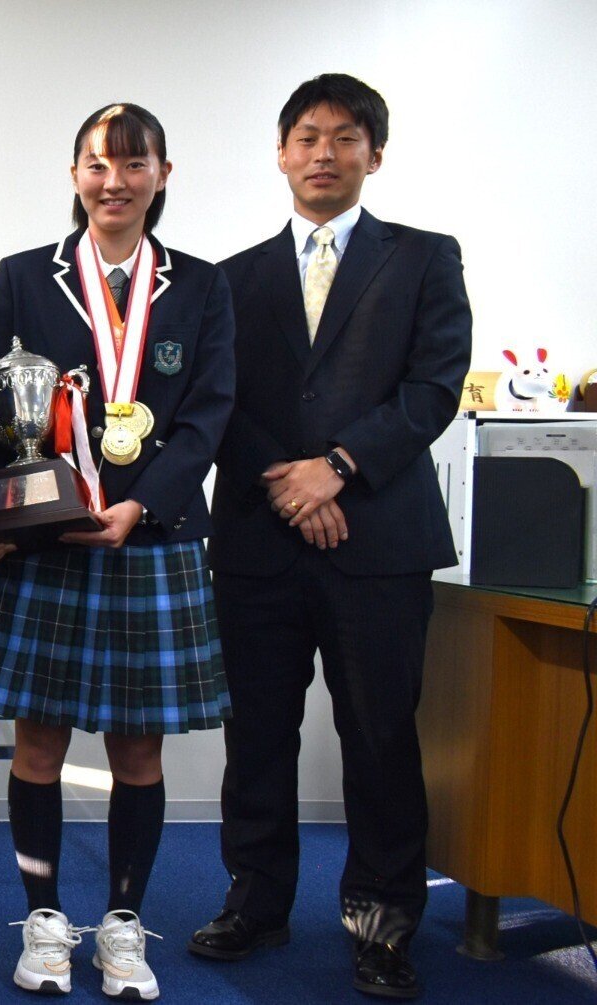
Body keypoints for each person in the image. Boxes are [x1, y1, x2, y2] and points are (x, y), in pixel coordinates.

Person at [190, 74, 470, 1001]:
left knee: (381, 735)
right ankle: (256, 901)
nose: (323, 153)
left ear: (373, 156)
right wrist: (293, 483)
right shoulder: (230, 278)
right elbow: (217, 402)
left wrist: (338, 467)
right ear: (279, 152)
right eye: (306, 136)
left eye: (344, 138)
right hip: (260, 546)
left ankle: (383, 921)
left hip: (379, 543)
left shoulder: (426, 259)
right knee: (258, 734)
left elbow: (433, 389)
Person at [0, 103, 236, 1000]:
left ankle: (124, 923)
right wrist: (5, 523)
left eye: (132, 164)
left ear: (163, 174)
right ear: (74, 175)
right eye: (95, 163)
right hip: (47, 548)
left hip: (151, 541)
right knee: (37, 743)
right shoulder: (23, 277)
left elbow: (207, 418)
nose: (113, 180)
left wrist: (140, 503)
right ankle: (43, 920)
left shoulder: (201, 286)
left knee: (137, 755)